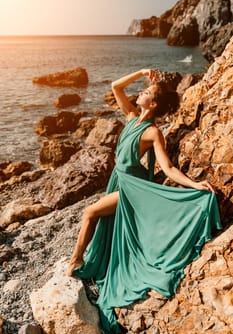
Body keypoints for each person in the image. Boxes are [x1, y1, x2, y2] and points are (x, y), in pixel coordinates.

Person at [67, 69, 221, 334]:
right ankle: (93, 264)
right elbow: (116, 86)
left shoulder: (152, 133)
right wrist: (140, 72)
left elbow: (169, 168)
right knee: (104, 222)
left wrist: (195, 184)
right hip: (118, 181)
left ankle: (75, 262)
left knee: (90, 213)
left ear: (154, 104)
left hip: (133, 189)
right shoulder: (130, 118)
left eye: (147, 93)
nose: (141, 93)